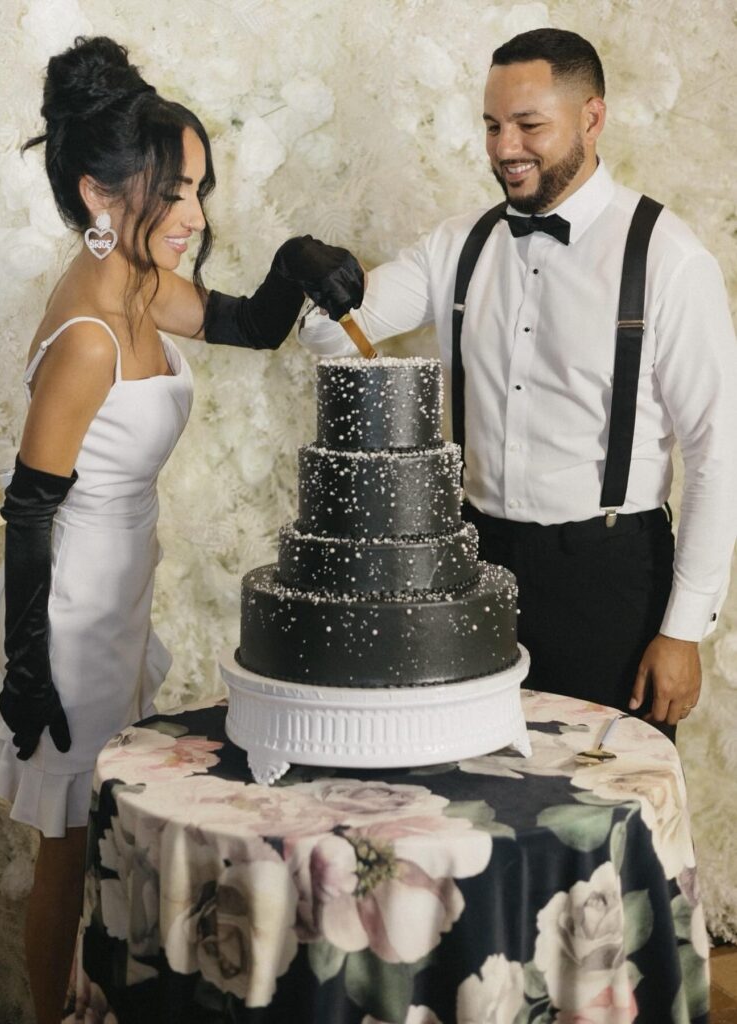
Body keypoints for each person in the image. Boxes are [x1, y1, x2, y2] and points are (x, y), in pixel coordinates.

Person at [0, 35, 363, 1024]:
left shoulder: (139, 289)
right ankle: (48, 1013)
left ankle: (93, 1000)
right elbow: (28, 508)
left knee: (102, 821)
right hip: (60, 617)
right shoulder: (89, 339)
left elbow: (246, 323)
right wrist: (27, 669)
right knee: (67, 835)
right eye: (175, 192)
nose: (195, 216)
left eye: (200, 191)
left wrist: (293, 266)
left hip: (116, 598)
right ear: (104, 197)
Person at [298, 28, 737, 735]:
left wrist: (683, 631)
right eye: (492, 126)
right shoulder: (457, 245)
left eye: (529, 125)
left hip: (610, 575)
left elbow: (719, 455)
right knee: (468, 794)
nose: (505, 148)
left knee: (605, 815)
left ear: (591, 118)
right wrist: (314, 272)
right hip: (473, 567)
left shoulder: (666, 258)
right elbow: (326, 334)